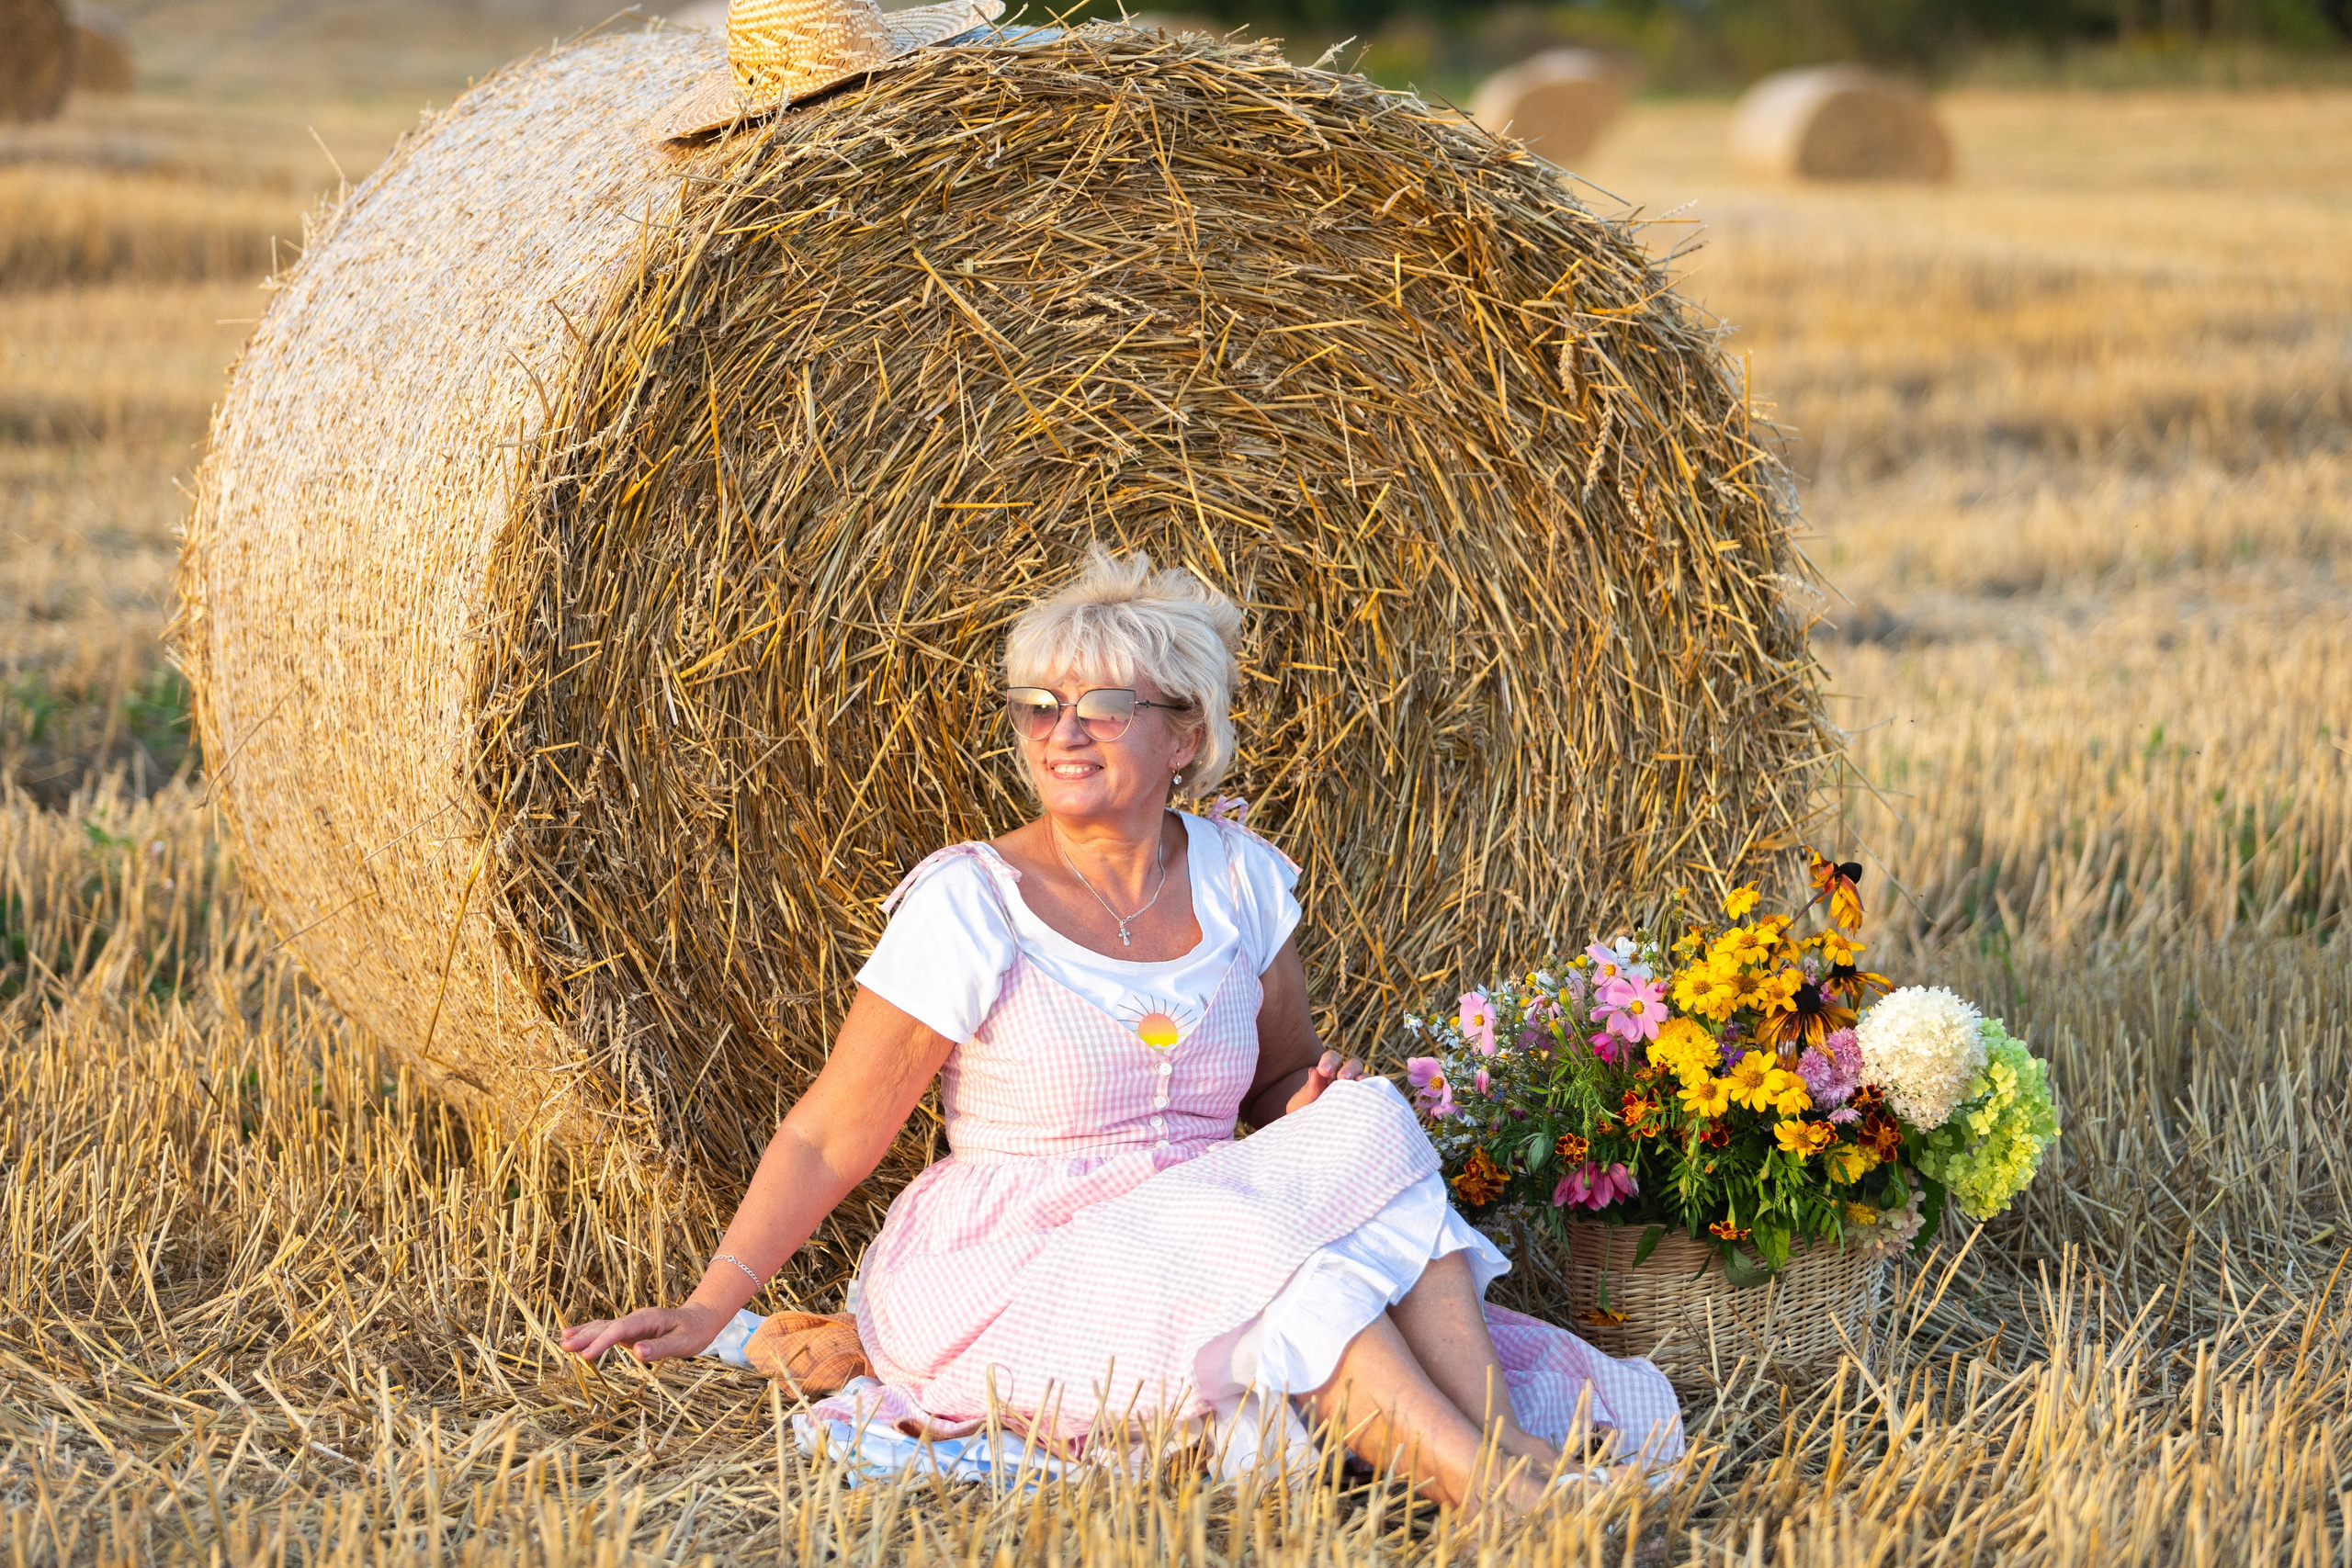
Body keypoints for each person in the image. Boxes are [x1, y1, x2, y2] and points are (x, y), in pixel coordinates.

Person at [563, 547, 1680, 1511]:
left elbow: (1278, 1076)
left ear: (1184, 733)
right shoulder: (969, 902)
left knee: (1368, 1113)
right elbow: (829, 1133)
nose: (1062, 732)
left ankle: (1502, 1442)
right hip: (1021, 1256)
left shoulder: (1242, 880)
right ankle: (1501, 1498)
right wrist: (716, 1301)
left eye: (1103, 707)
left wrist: (1304, 1103)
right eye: (1037, 707)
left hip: (1202, 1214)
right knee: (1267, 1263)